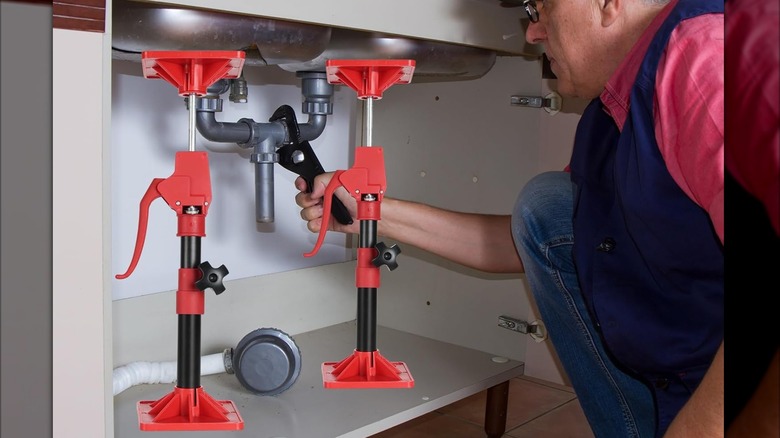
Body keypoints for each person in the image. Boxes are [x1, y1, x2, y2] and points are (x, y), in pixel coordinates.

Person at [295, 0, 725, 435]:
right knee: (549, 209)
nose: (532, 33)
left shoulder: (704, 61)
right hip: (689, 368)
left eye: (541, 8)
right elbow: (524, 241)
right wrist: (371, 213)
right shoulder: (610, 111)